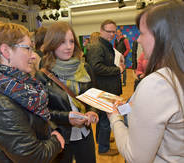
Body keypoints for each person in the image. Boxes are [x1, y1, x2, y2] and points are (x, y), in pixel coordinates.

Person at [0, 21, 64, 163]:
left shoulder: (16, 86)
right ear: (6, 51)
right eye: (27, 48)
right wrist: (56, 141)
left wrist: (52, 130)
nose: (33, 55)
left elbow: (35, 117)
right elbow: (32, 157)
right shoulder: (0, 103)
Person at [108, 0, 184, 162]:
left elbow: (136, 157)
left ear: (161, 36)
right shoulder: (176, 75)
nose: (138, 40)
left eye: (142, 33)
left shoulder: (158, 84)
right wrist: (126, 108)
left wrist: (115, 117)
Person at [35, 21, 99, 163]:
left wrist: (92, 111)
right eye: (62, 42)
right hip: (60, 136)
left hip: (84, 133)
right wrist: (66, 117)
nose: (69, 47)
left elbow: (92, 96)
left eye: (71, 41)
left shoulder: (84, 68)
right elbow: (41, 112)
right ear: (52, 43)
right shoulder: (43, 75)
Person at [86, 19, 124, 156]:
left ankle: (102, 140)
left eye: (114, 31)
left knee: (103, 118)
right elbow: (95, 68)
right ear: (101, 31)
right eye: (109, 31)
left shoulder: (105, 45)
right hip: (103, 89)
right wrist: (117, 70)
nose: (112, 34)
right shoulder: (98, 47)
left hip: (107, 88)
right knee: (105, 120)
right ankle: (103, 148)